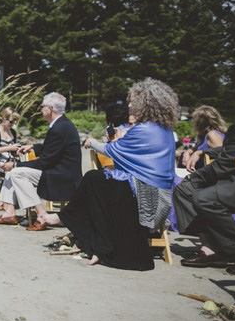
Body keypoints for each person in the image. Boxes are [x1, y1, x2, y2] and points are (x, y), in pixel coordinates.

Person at [43, 78, 178, 270]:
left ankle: (73, 222)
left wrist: (91, 142)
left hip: (147, 198)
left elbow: (113, 151)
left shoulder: (144, 130)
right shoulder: (162, 129)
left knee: (93, 179)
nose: (129, 105)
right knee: (99, 182)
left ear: (146, 104)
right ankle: (71, 220)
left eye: (133, 101)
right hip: (158, 194)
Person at [0, 92, 82, 231]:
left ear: (50, 109)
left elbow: (43, 162)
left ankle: (41, 215)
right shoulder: (62, 124)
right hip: (61, 172)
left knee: (16, 173)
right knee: (13, 172)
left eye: (42, 106)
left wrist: (14, 164)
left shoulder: (58, 128)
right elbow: (52, 148)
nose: (40, 109)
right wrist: (33, 146)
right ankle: (9, 213)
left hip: (62, 177)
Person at [173, 120, 235, 274]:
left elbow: (226, 162)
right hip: (231, 179)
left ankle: (234, 247)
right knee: (184, 190)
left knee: (203, 197)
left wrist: (195, 176)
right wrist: (202, 152)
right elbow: (228, 151)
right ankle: (211, 248)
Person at [181, 105, 226, 172]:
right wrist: (187, 152)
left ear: (200, 122)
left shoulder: (212, 134)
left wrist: (199, 153)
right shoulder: (205, 136)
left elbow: (222, 153)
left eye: (194, 119)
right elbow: (197, 148)